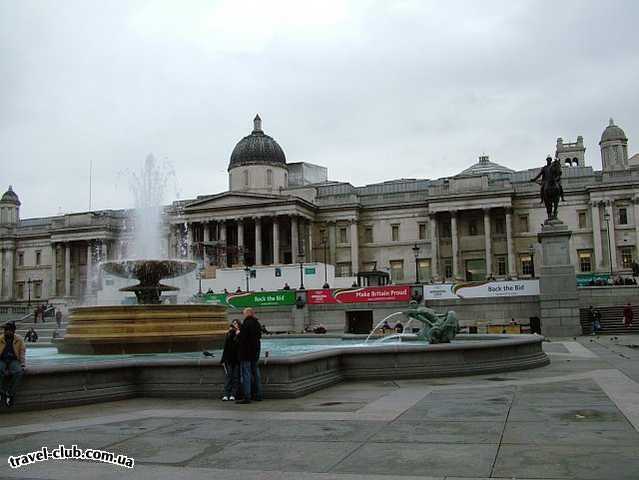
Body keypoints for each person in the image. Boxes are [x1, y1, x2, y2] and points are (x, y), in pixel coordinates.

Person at [237, 308, 262, 404]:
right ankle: (258, 395)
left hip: (246, 353)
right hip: (255, 352)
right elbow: (259, 337)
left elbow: (242, 338)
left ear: (248, 313)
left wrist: (238, 333)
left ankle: (247, 396)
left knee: (246, 374)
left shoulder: (246, 323)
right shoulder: (257, 323)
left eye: (244, 313)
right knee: (256, 373)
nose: (243, 315)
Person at [1, 322, 26, 407]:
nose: (6, 332)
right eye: (5, 330)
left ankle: (10, 393)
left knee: (19, 372)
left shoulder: (19, 339)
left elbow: (22, 352)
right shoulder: (0, 338)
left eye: (9, 330)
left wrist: (23, 364)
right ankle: (1, 393)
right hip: (2, 360)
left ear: (13, 331)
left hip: (13, 360)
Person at [221, 320, 240, 401]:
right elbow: (225, 348)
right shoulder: (228, 334)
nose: (234, 325)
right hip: (229, 359)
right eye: (233, 323)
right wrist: (223, 360)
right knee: (229, 377)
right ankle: (226, 394)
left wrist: (238, 335)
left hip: (237, 360)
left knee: (235, 377)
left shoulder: (240, 334)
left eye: (236, 323)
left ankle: (233, 394)